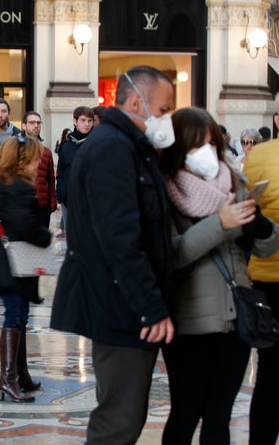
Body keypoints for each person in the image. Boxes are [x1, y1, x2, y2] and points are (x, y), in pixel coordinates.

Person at [50, 66, 176, 444]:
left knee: (128, 412)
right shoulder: (111, 148)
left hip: (124, 303)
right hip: (118, 304)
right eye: (165, 108)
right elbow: (120, 238)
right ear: (138, 101)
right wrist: (150, 307)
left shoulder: (128, 145)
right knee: (118, 420)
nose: (168, 117)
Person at [158, 107, 278, 445]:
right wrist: (220, 224)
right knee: (186, 411)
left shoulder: (233, 181)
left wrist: (260, 227)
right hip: (189, 321)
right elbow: (173, 254)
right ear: (179, 149)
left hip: (235, 315)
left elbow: (268, 247)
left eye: (212, 143)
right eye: (197, 145)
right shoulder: (165, 190)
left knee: (219, 415)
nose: (207, 152)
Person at [0, 135, 52, 402]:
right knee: (16, 316)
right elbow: (25, 225)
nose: (37, 163)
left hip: (6, 261)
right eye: (33, 158)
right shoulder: (16, 187)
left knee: (19, 316)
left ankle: (20, 375)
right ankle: (8, 379)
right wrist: (47, 237)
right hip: (11, 264)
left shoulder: (1, 185)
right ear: (21, 161)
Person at [244, 122, 279, 445]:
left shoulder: (260, 156)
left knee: (270, 373)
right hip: (269, 275)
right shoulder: (261, 155)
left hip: (268, 278)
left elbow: (247, 211)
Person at [20, 111, 57, 303]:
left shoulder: (46, 152)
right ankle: (21, 290)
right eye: (32, 123)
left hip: (41, 207)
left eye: (38, 123)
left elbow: (50, 178)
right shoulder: (17, 149)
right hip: (23, 207)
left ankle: (33, 292)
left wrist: (52, 203)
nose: (36, 126)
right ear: (24, 125)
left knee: (37, 252)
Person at [55, 106, 94, 236]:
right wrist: (61, 194)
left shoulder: (96, 143)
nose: (87, 124)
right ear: (75, 121)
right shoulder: (66, 146)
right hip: (68, 200)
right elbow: (60, 171)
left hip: (89, 201)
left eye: (90, 120)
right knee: (71, 238)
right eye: (83, 120)